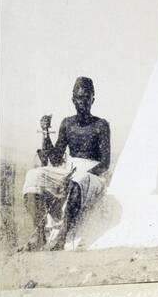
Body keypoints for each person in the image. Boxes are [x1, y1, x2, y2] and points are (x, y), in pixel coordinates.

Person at [20, 77, 111, 251]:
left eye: (86, 97)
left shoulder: (101, 125)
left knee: (78, 181)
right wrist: (46, 132)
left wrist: (81, 174)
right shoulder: (67, 124)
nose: (82, 102)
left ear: (93, 99)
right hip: (70, 171)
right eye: (79, 98)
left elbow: (105, 163)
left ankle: (62, 237)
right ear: (73, 100)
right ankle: (40, 235)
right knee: (34, 176)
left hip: (92, 175)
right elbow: (55, 158)